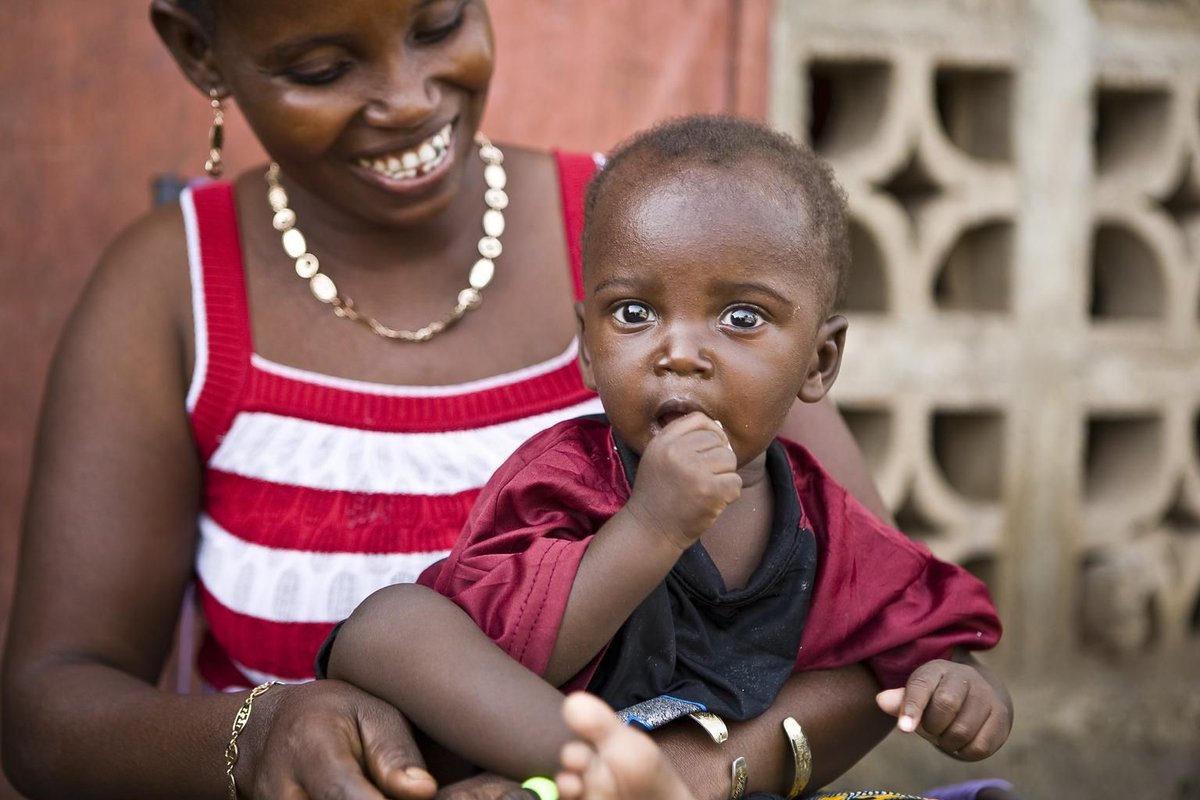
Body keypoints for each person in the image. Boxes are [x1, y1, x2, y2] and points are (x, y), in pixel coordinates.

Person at [0, 2, 933, 799]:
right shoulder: (173, 289)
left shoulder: (666, 235)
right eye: (321, 66)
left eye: (439, 21)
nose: (408, 97)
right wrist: (255, 736)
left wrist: (669, 778)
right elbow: (49, 710)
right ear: (201, 53)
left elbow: (877, 624)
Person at [322, 116, 1012, 798]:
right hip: (534, 740)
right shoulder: (561, 477)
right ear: (588, 349)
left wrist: (956, 684)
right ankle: (603, 770)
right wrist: (652, 525)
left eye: (742, 317)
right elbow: (514, 651)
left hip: (706, 768)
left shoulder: (827, 526)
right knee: (390, 623)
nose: (678, 352)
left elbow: (918, 623)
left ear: (819, 361)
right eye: (633, 314)